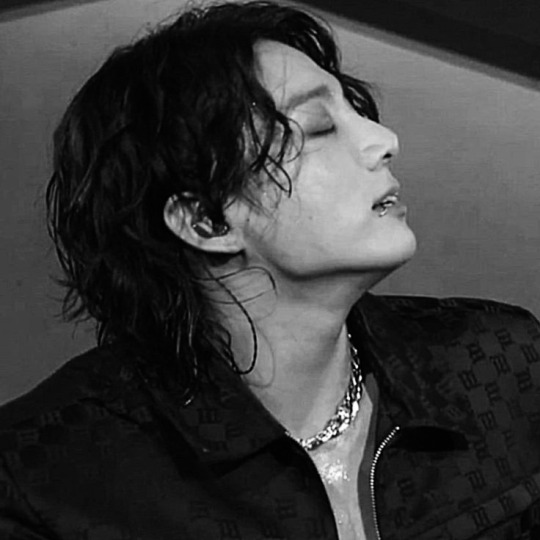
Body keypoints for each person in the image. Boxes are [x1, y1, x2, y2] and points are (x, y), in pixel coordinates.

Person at [1, 1, 540, 539]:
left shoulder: (502, 362)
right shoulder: (45, 476)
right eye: (319, 126)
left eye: (356, 111)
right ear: (206, 220)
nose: (384, 141)